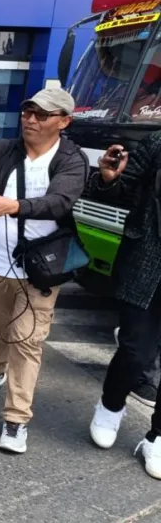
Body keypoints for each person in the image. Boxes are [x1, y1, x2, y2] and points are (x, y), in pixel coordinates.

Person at [0, 88, 88, 454]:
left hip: (40, 268)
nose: (31, 119)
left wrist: (14, 206)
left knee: (27, 340)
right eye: (28, 111)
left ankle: (16, 419)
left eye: (42, 114)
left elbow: (60, 202)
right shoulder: (2, 149)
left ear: (64, 122)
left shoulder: (71, 159)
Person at [88, 130, 161, 478]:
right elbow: (121, 190)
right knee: (135, 352)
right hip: (148, 263)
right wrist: (107, 179)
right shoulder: (157, 144)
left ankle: (157, 437)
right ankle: (111, 405)